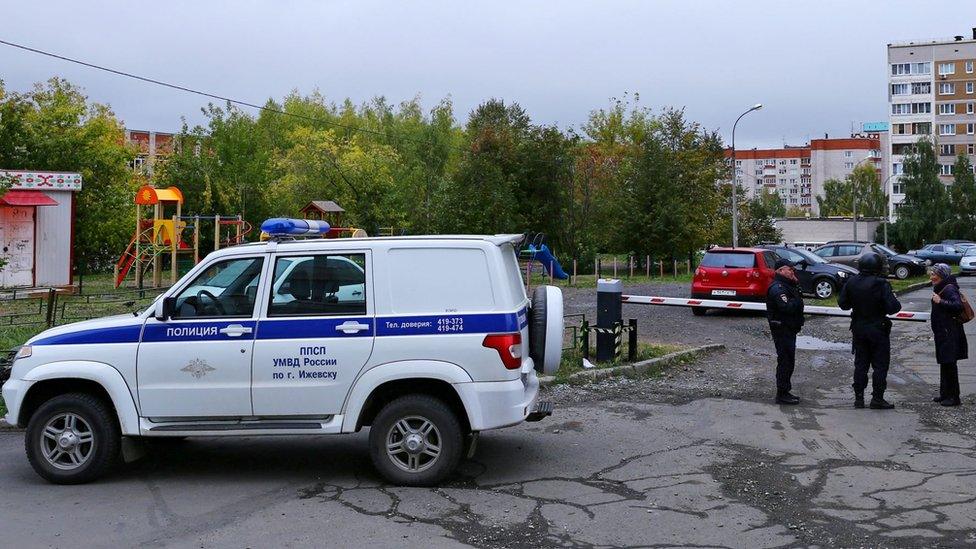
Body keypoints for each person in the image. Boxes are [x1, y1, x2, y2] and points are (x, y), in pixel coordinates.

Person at [838, 252, 902, 409]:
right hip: (878, 329)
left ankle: (858, 398)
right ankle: (877, 399)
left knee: (861, 364)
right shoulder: (881, 283)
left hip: (859, 329)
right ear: (877, 267)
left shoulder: (852, 282)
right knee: (880, 365)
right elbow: (893, 308)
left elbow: (843, 304)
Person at [766, 258, 804, 405]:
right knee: (785, 361)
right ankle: (782, 393)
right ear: (780, 270)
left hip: (789, 329)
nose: (792, 271)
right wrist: (798, 300)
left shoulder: (787, 285)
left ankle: (785, 391)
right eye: (789, 269)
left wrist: (795, 284)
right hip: (782, 329)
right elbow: (787, 307)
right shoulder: (778, 288)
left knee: (789, 361)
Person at [929, 263, 967, 407]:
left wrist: (941, 301)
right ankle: (945, 394)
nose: (932, 277)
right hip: (943, 331)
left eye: (934, 274)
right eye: (931, 274)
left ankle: (954, 397)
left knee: (950, 364)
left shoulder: (949, 288)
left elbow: (958, 306)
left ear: (942, 275)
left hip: (949, 332)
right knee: (945, 362)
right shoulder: (942, 287)